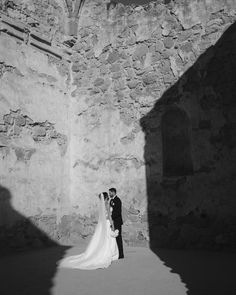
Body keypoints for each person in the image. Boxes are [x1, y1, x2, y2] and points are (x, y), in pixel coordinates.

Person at [58, 192, 118, 270]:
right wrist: (113, 226)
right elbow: (109, 217)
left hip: (102, 224)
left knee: (101, 238)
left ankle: (98, 252)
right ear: (106, 198)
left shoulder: (102, 206)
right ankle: (110, 253)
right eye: (107, 197)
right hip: (107, 224)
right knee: (108, 238)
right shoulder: (107, 205)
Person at [109, 188, 124, 259]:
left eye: (110, 193)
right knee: (113, 238)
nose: (109, 194)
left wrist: (111, 217)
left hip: (117, 221)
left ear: (113, 192)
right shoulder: (111, 200)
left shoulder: (118, 200)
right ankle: (115, 253)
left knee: (118, 237)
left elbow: (118, 212)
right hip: (112, 221)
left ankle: (121, 254)